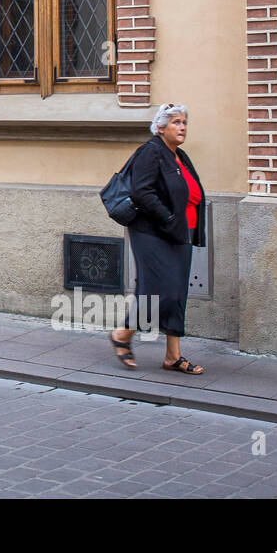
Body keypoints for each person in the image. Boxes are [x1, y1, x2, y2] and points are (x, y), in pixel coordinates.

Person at [108, 102, 207, 374]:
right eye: (176, 122)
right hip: (152, 232)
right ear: (160, 127)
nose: (182, 126)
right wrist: (168, 217)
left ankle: (173, 357)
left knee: (176, 295)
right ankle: (123, 334)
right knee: (158, 293)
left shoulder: (179, 156)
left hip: (179, 233)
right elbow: (142, 192)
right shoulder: (151, 151)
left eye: (184, 122)